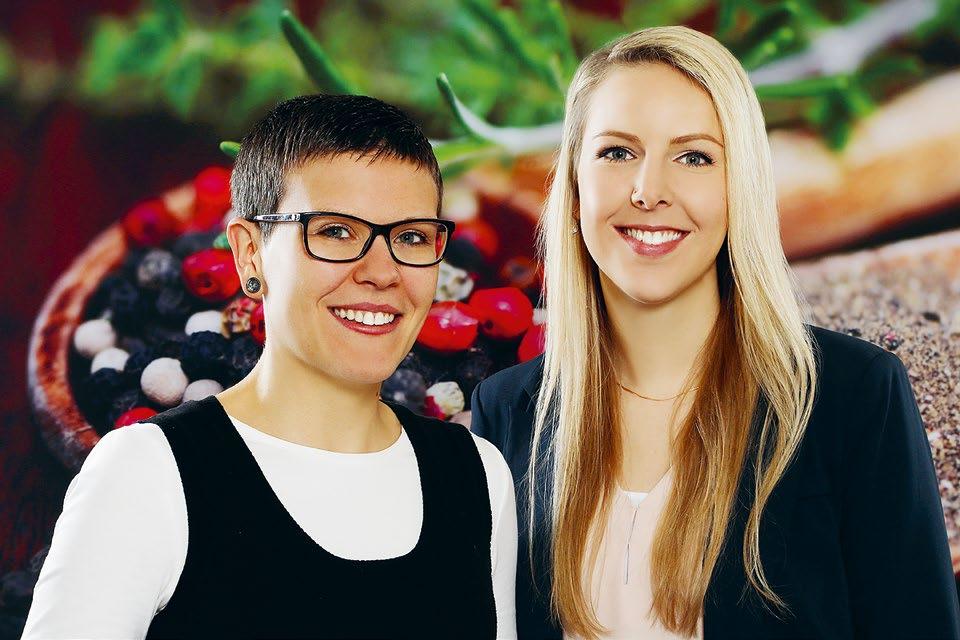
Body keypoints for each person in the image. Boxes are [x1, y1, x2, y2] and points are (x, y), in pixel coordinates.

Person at [470, 25, 959, 640]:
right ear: (572, 186)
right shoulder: (507, 409)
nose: (649, 191)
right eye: (617, 153)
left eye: (694, 157)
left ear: (741, 186)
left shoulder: (854, 393)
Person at [24, 94, 517, 639]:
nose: (383, 272)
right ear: (249, 254)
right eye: (335, 231)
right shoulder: (147, 471)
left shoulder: (478, 475)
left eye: (411, 237)